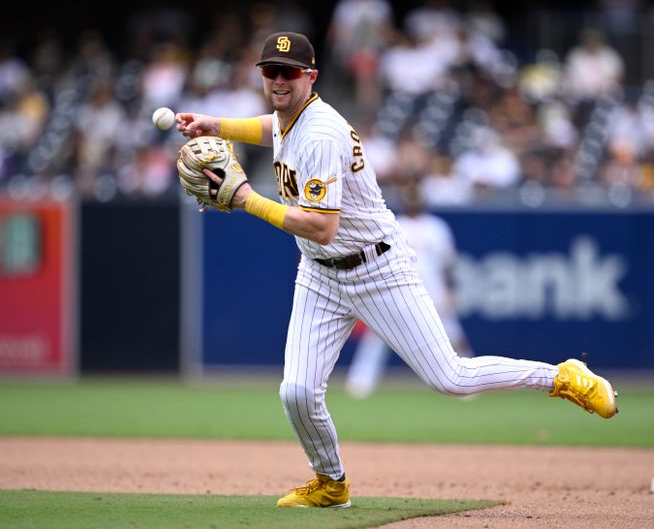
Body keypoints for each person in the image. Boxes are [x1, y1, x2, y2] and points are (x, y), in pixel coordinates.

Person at [175, 31, 618, 510]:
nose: (279, 81)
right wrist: (215, 124)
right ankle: (330, 482)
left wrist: (246, 199)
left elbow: (321, 227)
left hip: (376, 267)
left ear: (311, 77)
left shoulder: (321, 133)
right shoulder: (293, 117)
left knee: (451, 377)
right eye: (270, 72)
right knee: (298, 391)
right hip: (320, 274)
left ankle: (559, 377)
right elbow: (273, 129)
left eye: (289, 72)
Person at [345, 182, 472, 399]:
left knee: (450, 331)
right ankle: (361, 381)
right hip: (398, 283)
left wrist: (451, 290)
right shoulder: (395, 223)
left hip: (433, 285)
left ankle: (468, 380)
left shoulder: (436, 226)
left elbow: (448, 263)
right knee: (378, 332)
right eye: (409, 199)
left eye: (416, 199)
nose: (412, 203)